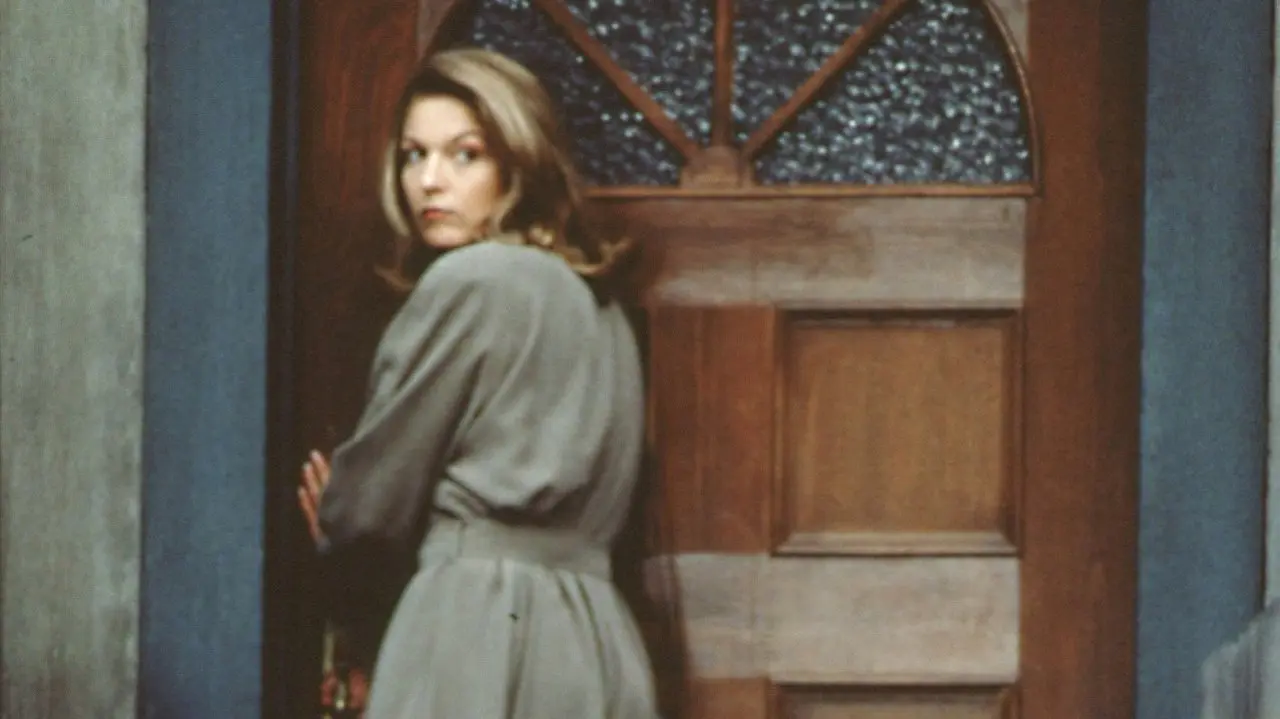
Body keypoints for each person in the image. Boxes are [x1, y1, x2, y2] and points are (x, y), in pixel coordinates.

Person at [295, 47, 660, 718]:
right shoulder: (602, 306)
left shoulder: (470, 279)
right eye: (413, 155)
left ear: (517, 163)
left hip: (474, 625)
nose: (429, 181)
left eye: (465, 155)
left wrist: (341, 515)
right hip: (594, 636)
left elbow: (367, 510)